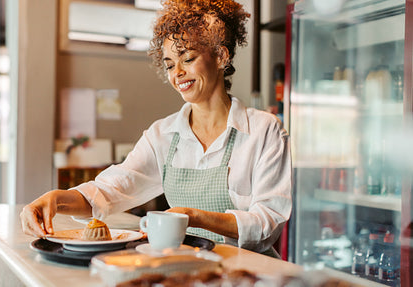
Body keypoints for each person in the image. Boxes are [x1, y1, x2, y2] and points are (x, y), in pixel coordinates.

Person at [20, 0, 291, 256]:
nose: (177, 74)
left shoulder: (263, 130)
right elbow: (111, 189)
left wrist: (193, 217)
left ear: (221, 56)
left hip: (251, 274)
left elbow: (267, 223)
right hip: (189, 270)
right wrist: (56, 199)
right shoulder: (163, 135)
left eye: (188, 58)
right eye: (170, 65)